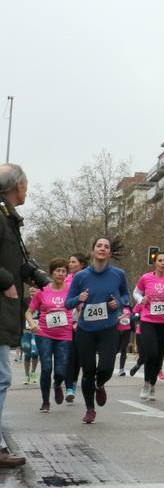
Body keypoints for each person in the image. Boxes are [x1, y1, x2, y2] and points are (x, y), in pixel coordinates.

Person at [65, 236, 131, 424]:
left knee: (106, 368)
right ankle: (90, 409)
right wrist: (80, 298)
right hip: (85, 329)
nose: (102, 249)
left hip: (108, 328)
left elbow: (126, 297)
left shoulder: (118, 274)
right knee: (88, 371)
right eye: (99, 246)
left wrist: (117, 302)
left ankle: (100, 384)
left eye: (106, 247)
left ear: (110, 253)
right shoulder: (80, 276)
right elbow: (67, 303)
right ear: (93, 251)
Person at [0, 163, 40, 466]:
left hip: (5, 310)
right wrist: (7, 281)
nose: (27, 188)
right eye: (25, 184)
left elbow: (14, 261)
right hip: (1, 307)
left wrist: (37, 277)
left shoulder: (9, 219)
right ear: (18, 186)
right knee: (1, 377)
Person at [27, 260, 73, 412]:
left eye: (63, 271)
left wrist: (78, 323)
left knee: (61, 370)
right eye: (57, 271)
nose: (60, 274)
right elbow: (28, 312)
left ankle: (58, 384)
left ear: (66, 274)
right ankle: (45, 401)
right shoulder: (42, 291)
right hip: (44, 334)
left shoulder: (71, 290)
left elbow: (81, 307)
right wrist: (32, 324)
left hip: (64, 335)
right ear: (52, 273)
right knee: (46, 367)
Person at [132, 252, 164, 401]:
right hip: (148, 320)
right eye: (160, 260)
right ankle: (146, 383)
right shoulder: (146, 278)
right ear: (155, 263)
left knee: (159, 356)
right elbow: (136, 292)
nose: (163, 263)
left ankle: (153, 384)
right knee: (151, 353)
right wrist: (141, 299)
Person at [62, 252, 88, 404]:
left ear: (82, 264)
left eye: (73, 262)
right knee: (69, 355)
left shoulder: (87, 278)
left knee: (78, 356)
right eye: (69, 261)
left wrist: (81, 320)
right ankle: (68, 386)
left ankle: (72, 383)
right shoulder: (66, 279)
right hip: (67, 321)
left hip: (84, 321)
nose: (70, 264)